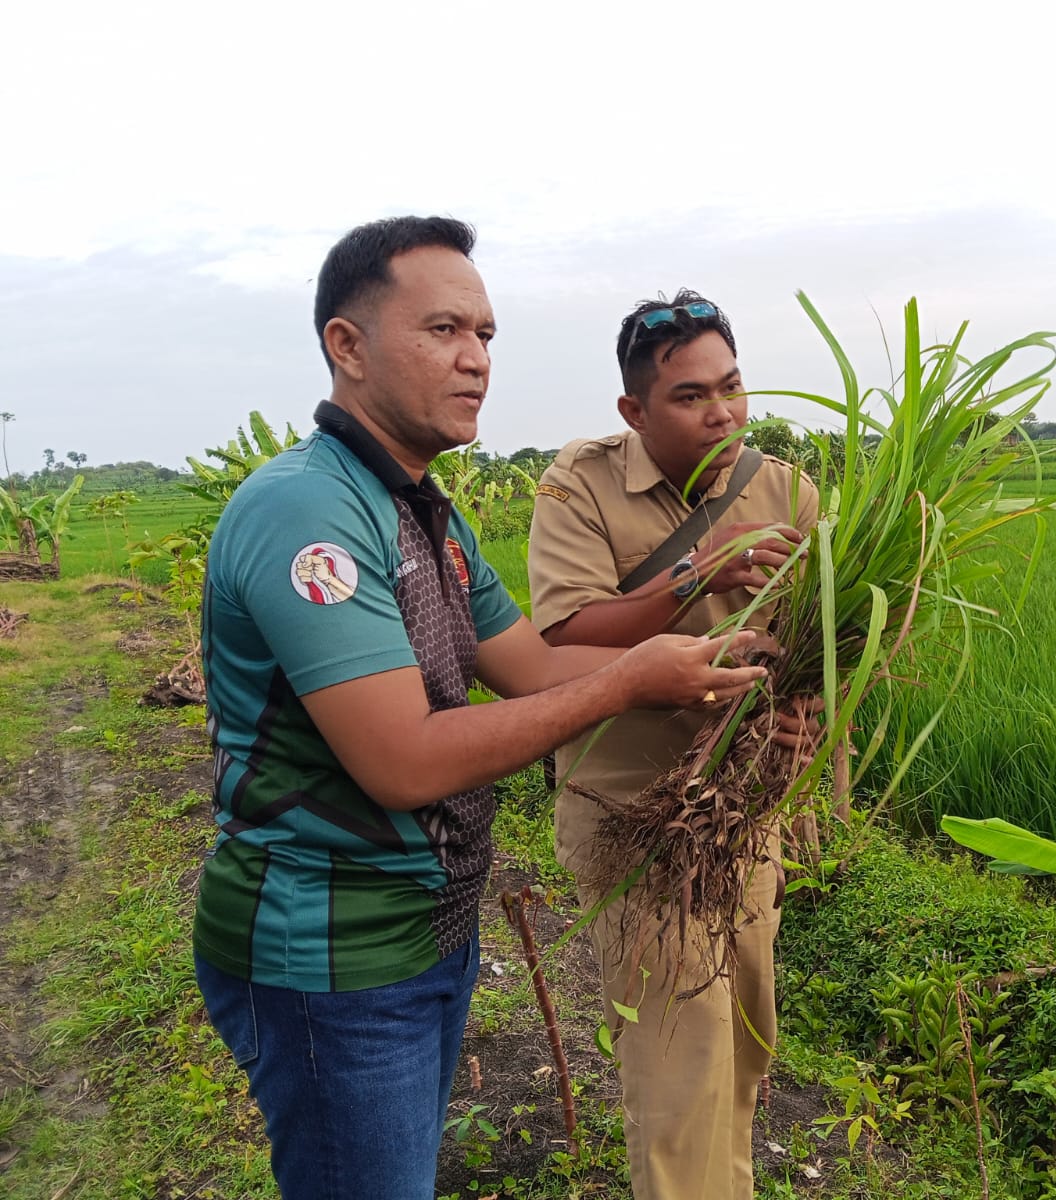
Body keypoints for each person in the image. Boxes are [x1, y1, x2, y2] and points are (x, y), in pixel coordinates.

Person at [192, 219, 767, 1200]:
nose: (475, 360)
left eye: (487, 336)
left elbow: (539, 668)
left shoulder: (429, 515)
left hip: (427, 929)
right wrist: (631, 680)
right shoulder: (309, 514)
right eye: (445, 330)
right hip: (332, 957)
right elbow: (404, 763)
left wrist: (714, 654)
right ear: (347, 345)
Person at [528, 290, 819, 1200]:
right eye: (692, 397)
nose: (722, 412)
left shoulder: (787, 490)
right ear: (634, 411)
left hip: (743, 813)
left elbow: (829, 636)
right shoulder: (579, 483)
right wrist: (704, 568)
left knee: (745, 1035)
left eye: (732, 387)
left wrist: (809, 712)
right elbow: (565, 637)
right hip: (637, 815)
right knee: (678, 1062)